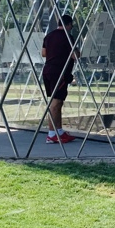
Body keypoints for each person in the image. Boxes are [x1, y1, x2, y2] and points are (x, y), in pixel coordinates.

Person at [42, 13, 80, 144]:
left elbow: (43, 53)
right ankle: (52, 134)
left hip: (48, 71)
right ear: (68, 25)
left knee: (57, 102)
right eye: (71, 25)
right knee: (55, 103)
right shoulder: (68, 38)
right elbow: (75, 55)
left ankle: (58, 131)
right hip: (60, 72)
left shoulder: (49, 36)